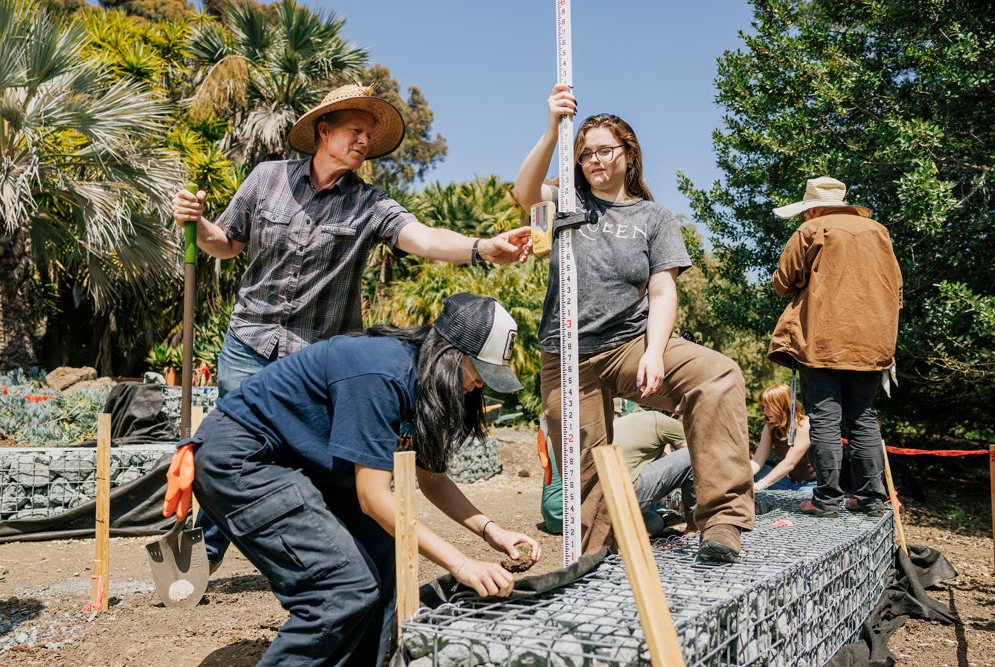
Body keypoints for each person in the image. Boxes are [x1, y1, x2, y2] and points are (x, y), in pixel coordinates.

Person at [171, 83, 532, 567]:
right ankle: (204, 556)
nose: (364, 142)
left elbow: (422, 238)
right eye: (355, 130)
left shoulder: (369, 204)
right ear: (324, 130)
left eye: (369, 135)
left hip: (317, 355)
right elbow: (226, 242)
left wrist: (481, 247)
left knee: (318, 463)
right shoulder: (266, 179)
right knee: (230, 443)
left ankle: (321, 552)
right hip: (249, 339)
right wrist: (199, 224)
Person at [162, 293, 542, 666]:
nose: (480, 386)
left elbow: (432, 479)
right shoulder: (383, 373)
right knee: (340, 589)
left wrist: (492, 532)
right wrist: (462, 565)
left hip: (297, 464)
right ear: (451, 355)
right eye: (479, 372)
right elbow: (372, 498)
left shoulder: (420, 381)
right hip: (243, 457)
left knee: (381, 553)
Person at [514, 83, 754, 562]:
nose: (595, 161)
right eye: (586, 154)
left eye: (606, 150)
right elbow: (524, 192)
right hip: (567, 355)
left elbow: (664, 289)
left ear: (628, 153)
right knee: (586, 471)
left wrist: (652, 351)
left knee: (718, 375)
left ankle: (723, 521)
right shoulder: (566, 203)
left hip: (631, 344)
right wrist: (551, 130)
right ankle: (593, 557)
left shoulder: (655, 215)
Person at [768, 176, 903, 518]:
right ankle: (870, 498)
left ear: (812, 207)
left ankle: (826, 500)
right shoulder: (879, 232)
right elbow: (896, 289)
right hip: (872, 343)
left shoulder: (813, 229)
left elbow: (784, 283)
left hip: (824, 339)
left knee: (825, 418)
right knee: (863, 416)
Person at [540, 409, 696, 536]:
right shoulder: (664, 421)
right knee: (691, 457)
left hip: (556, 517)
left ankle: (606, 532)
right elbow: (692, 462)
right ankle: (694, 528)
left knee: (654, 522)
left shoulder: (616, 424)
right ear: (674, 414)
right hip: (588, 513)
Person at [751, 383, 817, 492]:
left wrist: (759, 485)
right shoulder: (770, 426)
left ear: (783, 405)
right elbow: (757, 461)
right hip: (787, 482)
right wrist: (737, 477)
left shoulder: (804, 425)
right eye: (763, 407)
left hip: (810, 485)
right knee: (751, 472)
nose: (765, 412)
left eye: (769, 407)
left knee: (800, 507)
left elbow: (789, 463)